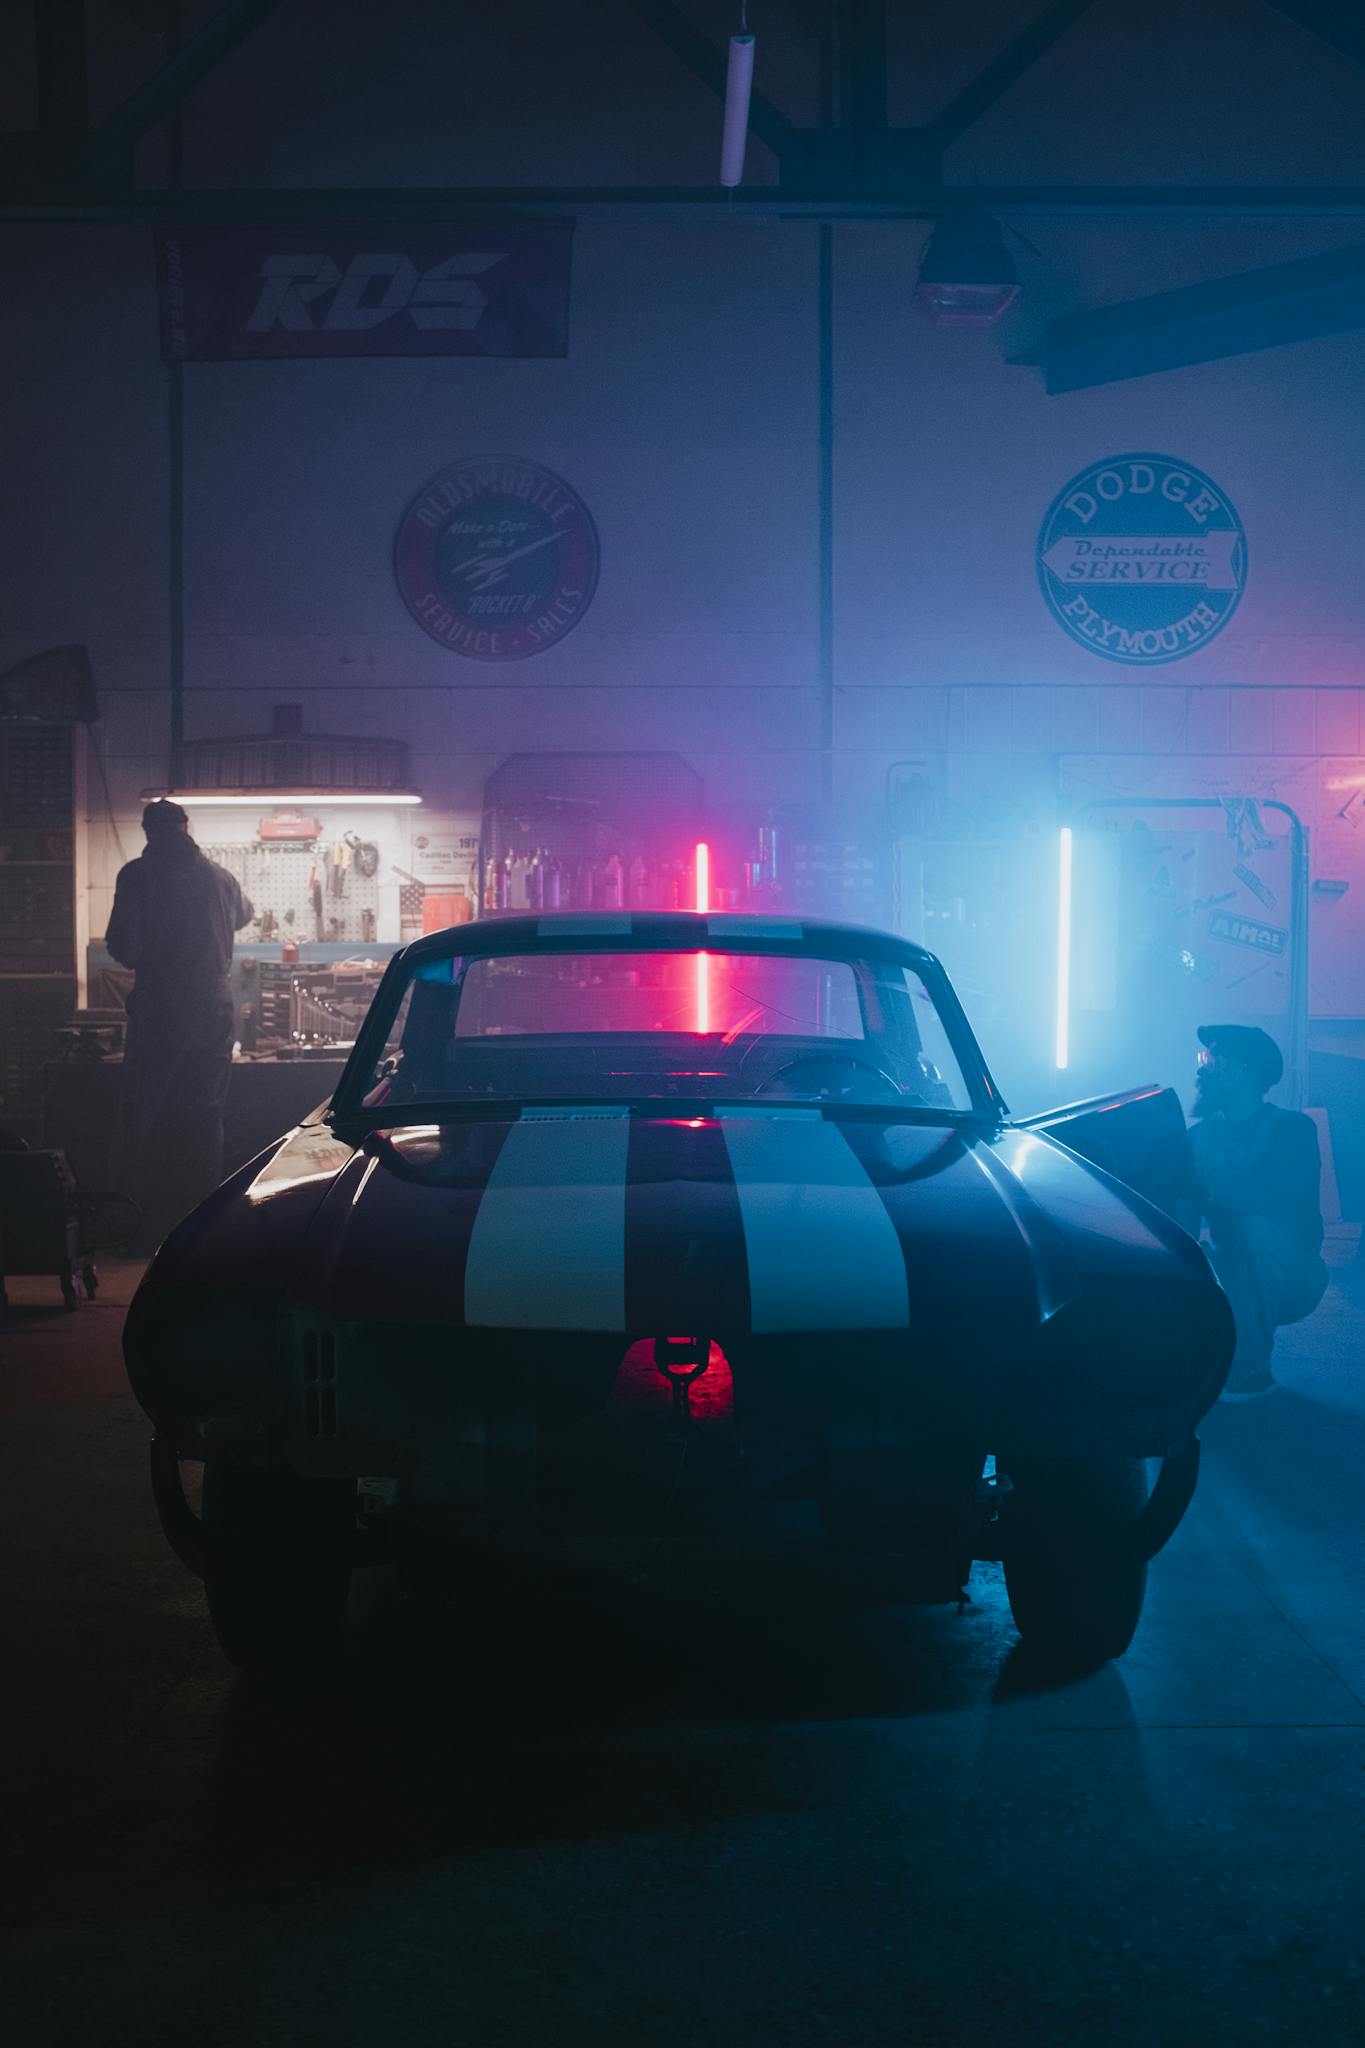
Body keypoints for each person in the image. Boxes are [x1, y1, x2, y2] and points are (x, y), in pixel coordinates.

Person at [106, 799, 253, 1242]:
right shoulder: (221, 877)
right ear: (187, 828)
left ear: (149, 832)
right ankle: (202, 1225)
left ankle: (137, 1225)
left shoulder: (138, 875)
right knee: (206, 1115)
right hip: (214, 1012)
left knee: (146, 1115)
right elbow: (244, 915)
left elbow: (125, 948)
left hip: (162, 1014)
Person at [1188, 1023, 1327, 1402]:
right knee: (1178, 1248)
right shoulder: (1198, 1137)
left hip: (1292, 1273)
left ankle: (1251, 1367)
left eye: (1214, 1058)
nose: (1204, 1067)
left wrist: (1206, 1192)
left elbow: (1276, 1202)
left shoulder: (1292, 1129)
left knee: (1254, 1230)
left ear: (1245, 1069)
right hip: (1231, 1269)